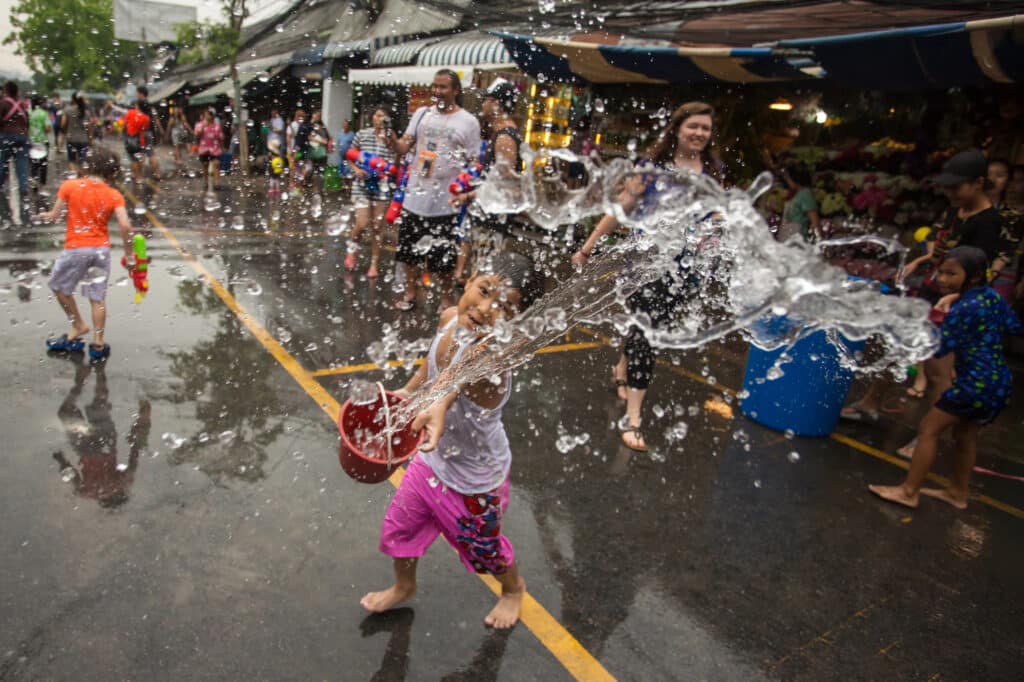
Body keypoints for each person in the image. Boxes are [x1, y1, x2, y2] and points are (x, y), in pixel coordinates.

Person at [360, 251, 543, 629]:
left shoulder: (494, 362)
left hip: (476, 480)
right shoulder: (447, 320)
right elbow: (433, 366)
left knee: (484, 553)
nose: (486, 308)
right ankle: (403, 586)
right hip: (432, 460)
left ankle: (513, 589)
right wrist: (407, 394)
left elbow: (459, 376)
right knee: (399, 528)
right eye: (484, 290)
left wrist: (439, 402)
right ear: (469, 279)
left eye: (505, 307)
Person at [572, 101, 722, 452]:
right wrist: (588, 246)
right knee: (647, 337)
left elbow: (715, 211)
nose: (699, 133)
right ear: (677, 128)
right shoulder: (652, 167)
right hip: (644, 267)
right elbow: (622, 208)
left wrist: (716, 226)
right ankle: (634, 417)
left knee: (648, 327)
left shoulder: (711, 170)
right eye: (693, 126)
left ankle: (621, 366)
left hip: (684, 269)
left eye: (706, 128)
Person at [869, 246, 1022, 510]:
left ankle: (908, 492)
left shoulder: (965, 309)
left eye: (951, 274)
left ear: (973, 276)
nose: (942, 279)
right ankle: (957, 492)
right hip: (997, 382)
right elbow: (1014, 326)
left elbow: (939, 348)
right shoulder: (992, 297)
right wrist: (956, 299)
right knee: (965, 435)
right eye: (941, 272)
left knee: (929, 429)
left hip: (973, 383)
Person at [898, 149, 1004, 402]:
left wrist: (957, 298)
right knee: (902, 346)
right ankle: (870, 403)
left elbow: (980, 270)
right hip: (932, 286)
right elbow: (940, 245)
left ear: (979, 183)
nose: (950, 193)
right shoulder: (955, 210)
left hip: (952, 300)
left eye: (956, 187)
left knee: (940, 371)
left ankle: (927, 435)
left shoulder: (988, 221)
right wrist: (923, 260)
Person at [389, 69, 482, 311]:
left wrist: (465, 193)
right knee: (409, 253)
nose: (437, 91)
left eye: (443, 87)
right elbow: (404, 146)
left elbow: (473, 165)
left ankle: (445, 297)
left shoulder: (469, 122)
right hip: (414, 198)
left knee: (444, 257)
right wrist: (392, 142)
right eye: (435, 86)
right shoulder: (421, 114)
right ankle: (411, 293)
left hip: (445, 202)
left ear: (455, 91)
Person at [35, 146, 134, 361]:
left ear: (86, 166)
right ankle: (98, 344)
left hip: (76, 248)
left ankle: (78, 324)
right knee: (97, 298)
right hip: (100, 250)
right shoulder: (114, 194)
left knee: (58, 286)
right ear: (112, 172)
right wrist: (130, 257)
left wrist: (42, 215)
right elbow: (125, 226)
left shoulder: (69, 186)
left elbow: (54, 216)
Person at [450, 78, 522, 285]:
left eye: (486, 100)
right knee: (480, 270)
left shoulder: (505, 137)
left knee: (484, 274)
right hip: (488, 213)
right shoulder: (499, 133)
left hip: (494, 218)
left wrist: (467, 196)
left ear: (497, 104)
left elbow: (502, 184)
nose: (483, 104)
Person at [344, 107, 395, 278]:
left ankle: (374, 264)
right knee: (362, 223)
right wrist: (356, 170)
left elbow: (395, 162)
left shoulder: (391, 138)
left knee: (377, 227)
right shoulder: (362, 134)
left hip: (382, 186)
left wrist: (388, 169)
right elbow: (350, 155)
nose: (380, 118)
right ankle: (352, 251)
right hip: (361, 185)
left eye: (384, 115)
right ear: (372, 117)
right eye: (377, 115)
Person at [0, 81, 32, 225]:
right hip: (22, 139)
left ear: (6, 91)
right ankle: (24, 191)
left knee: (3, 167)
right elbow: (27, 123)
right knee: (22, 170)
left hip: (6, 138)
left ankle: (5, 212)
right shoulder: (22, 106)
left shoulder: (3, 103)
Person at [777, 163, 821, 242]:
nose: (787, 180)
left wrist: (819, 240)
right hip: (789, 237)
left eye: (788, 178)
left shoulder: (805, 194)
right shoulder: (797, 194)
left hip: (798, 238)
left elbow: (814, 221)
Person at [131, 86, 164, 183]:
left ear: (141, 93)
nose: (136, 95)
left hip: (140, 133)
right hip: (149, 132)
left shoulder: (138, 105)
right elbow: (156, 119)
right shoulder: (150, 105)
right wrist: (160, 130)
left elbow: (133, 118)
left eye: (137, 93)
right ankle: (157, 174)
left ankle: (138, 176)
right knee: (152, 154)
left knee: (139, 155)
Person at [194, 108, 225, 193]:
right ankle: (206, 181)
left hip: (215, 149)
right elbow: (197, 135)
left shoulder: (216, 125)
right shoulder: (200, 125)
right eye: (206, 114)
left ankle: (216, 183)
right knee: (205, 165)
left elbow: (221, 138)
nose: (208, 116)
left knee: (216, 164)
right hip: (204, 149)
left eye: (209, 114)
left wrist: (222, 148)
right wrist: (204, 126)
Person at [28, 94, 52, 200]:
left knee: (33, 164)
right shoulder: (43, 113)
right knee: (43, 165)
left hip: (32, 141)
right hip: (43, 142)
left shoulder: (28, 112)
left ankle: (33, 185)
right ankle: (42, 186)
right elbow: (48, 128)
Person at [62, 92, 91, 175]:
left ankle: (74, 178)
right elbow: (89, 127)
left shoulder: (68, 110)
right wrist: (90, 139)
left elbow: (63, 124)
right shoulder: (86, 112)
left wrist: (65, 131)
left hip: (71, 139)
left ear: (72, 99)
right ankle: (82, 178)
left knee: (72, 160)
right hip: (84, 140)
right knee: (83, 161)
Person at [169, 106, 193, 171]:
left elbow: (186, 124)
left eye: (178, 110)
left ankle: (179, 155)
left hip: (182, 132)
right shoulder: (172, 118)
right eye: (175, 110)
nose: (177, 111)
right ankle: (178, 159)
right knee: (177, 146)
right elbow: (170, 125)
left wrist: (190, 130)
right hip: (175, 133)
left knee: (182, 145)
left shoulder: (182, 116)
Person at [286, 109, 305, 186]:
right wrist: (290, 150)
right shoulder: (292, 125)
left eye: (302, 117)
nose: (301, 118)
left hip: (299, 150)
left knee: (299, 165)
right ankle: (291, 182)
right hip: (292, 150)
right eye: (300, 116)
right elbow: (288, 138)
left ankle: (298, 182)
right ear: (296, 116)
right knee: (292, 167)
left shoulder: (302, 125)